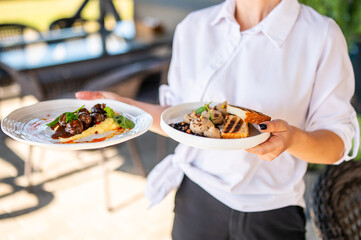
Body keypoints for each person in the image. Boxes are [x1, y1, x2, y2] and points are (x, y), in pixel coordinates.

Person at [76, 0, 359, 239]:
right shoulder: (194, 27)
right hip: (195, 202)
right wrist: (123, 106)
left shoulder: (320, 35)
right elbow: (179, 119)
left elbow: (335, 144)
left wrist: (294, 139)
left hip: (271, 212)